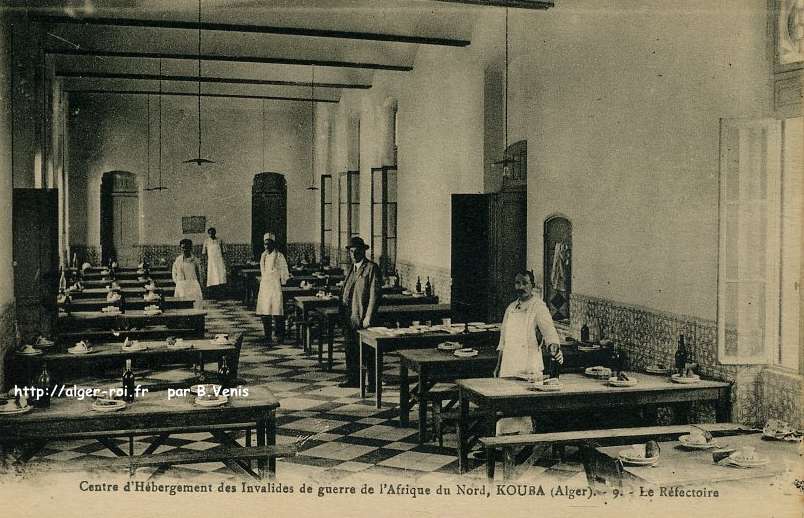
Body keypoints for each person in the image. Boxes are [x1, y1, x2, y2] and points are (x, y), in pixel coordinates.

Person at [494, 270, 564, 435]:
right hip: (509, 365)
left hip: (528, 365)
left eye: (525, 283)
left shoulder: (538, 306)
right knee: (506, 406)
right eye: (518, 283)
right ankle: (505, 444)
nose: (521, 287)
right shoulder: (511, 308)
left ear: (532, 285)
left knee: (525, 407)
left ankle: (526, 442)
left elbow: (549, 333)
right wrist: (498, 366)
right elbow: (502, 341)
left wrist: (554, 347)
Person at [338, 236, 382, 389]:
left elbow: (374, 295)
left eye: (357, 251)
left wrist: (368, 316)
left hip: (362, 317)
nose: (354, 254)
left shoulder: (371, 268)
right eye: (351, 251)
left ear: (363, 251)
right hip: (349, 316)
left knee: (369, 351)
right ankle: (353, 379)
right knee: (350, 349)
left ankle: (373, 383)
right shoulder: (352, 268)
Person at [255, 232, 289, 345]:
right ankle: (267, 335)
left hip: (275, 286)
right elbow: (263, 271)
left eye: (269, 244)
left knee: (277, 311)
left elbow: (285, 271)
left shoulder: (279, 256)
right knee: (265, 311)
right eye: (265, 244)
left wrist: (283, 282)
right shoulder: (263, 256)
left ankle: (280, 335)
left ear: (273, 244)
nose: (267, 246)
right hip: (265, 286)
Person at [171, 238, 204, 308]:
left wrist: (200, 284)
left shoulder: (195, 260)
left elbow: (200, 273)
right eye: (183, 248)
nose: (185, 249)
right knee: (182, 306)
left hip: (193, 286)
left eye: (187, 247)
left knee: (195, 305)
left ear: (191, 248)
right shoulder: (178, 260)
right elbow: (174, 272)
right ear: (180, 248)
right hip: (182, 286)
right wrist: (177, 282)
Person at [202, 227, 227, 298]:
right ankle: (212, 294)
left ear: (215, 233)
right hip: (211, 262)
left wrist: (225, 262)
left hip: (219, 261)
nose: (211, 234)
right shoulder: (206, 241)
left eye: (213, 233)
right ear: (208, 234)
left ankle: (221, 294)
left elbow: (224, 251)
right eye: (210, 233)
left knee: (221, 277)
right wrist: (205, 263)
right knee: (212, 277)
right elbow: (204, 253)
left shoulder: (220, 240)